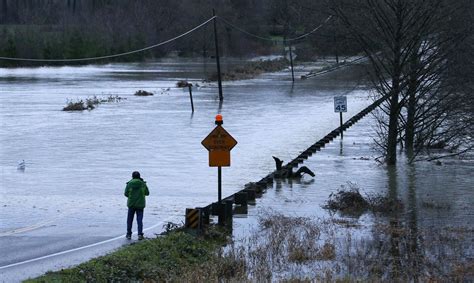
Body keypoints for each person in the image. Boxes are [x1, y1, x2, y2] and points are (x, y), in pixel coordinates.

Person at [124, 171, 149, 240]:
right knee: (139, 220)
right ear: (139, 176)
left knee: (129, 220)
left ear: (132, 176)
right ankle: (140, 234)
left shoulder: (129, 184)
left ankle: (129, 234)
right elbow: (147, 193)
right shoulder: (143, 184)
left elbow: (125, 193)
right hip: (140, 204)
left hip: (131, 204)